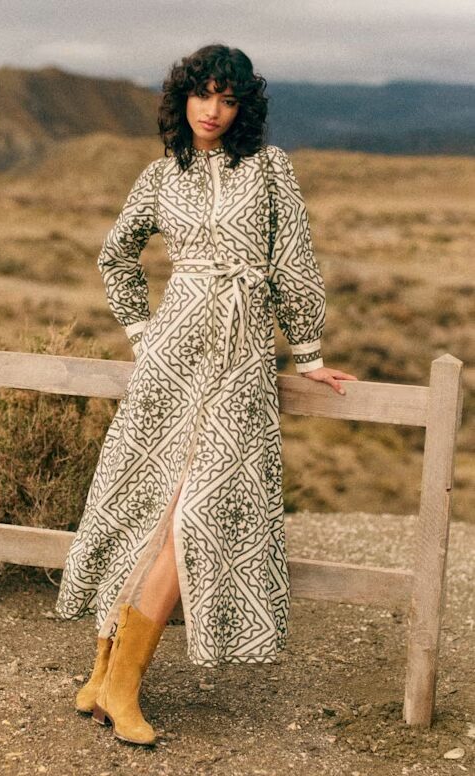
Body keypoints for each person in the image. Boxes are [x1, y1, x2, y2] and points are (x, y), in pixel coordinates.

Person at [55, 43, 358, 747]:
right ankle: (109, 679)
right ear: (182, 99)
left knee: (199, 507)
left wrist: (308, 352)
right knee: (148, 506)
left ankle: (118, 680)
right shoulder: (161, 176)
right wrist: (141, 330)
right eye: (203, 96)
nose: (214, 110)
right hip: (174, 351)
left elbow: (295, 262)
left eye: (227, 98)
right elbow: (116, 254)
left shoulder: (270, 168)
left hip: (243, 355)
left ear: (243, 105)